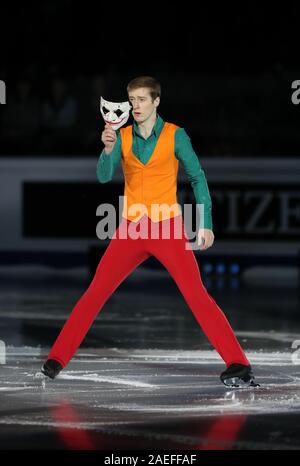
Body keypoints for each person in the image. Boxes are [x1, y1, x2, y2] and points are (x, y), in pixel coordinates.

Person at [41, 76, 259, 388]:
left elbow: (198, 177)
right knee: (95, 293)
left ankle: (238, 363)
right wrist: (107, 149)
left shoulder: (175, 135)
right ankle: (56, 359)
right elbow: (104, 177)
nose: (136, 106)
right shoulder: (123, 136)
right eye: (132, 100)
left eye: (142, 99)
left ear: (156, 101)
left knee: (197, 296)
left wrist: (206, 222)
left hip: (168, 227)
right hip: (131, 228)